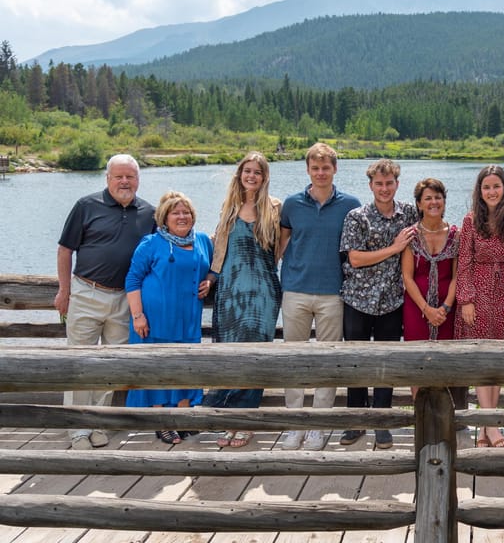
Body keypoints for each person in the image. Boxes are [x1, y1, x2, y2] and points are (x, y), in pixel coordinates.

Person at [54, 153, 156, 450]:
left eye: (130, 176)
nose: (125, 181)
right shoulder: (87, 206)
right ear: (107, 179)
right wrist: (64, 291)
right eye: (118, 176)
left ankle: (98, 423)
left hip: (125, 298)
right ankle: (76, 428)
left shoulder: (149, 212)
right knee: (79, 362)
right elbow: (64, 250)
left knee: (111, 366)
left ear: (138, 179)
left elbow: (157, 255)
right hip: (86, 292)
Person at [278, 143, 360, 451]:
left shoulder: (350, 204)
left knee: (328, 361)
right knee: (293, 359)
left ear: (335, 169)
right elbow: (281, 245)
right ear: (308, 170)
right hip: (296, 289)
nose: (321, 172)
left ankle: (319, 425)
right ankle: (294, 424)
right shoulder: (291, 204)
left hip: (333, 292)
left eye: (326, 167)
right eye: (315, 168)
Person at [204, 152, 282, 448]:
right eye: (247, 171)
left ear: (264, 177)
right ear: (240, 175)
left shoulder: (275, 207)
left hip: (262, 292)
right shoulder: (230, 208)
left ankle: (246, 421)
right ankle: (229, 421)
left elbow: (284, 248)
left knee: (255, 357)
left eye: (257, 172)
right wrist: (210, 278)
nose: (251, 176)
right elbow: (219, 249)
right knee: (230, 356)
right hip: (231, 292)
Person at [338, 159, 418, 449]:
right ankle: (356, 420)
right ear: (371, 185)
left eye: (389, 183)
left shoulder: (409, 213)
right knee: (356, 362)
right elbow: (355, 258)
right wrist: (395, 248)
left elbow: (434, 220)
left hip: (392, 300)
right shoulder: (357, 216)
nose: (384, 189)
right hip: (358, 299)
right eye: (379, 184)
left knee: (386, 363)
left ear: (397, 183)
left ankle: (382, 422)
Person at [125, 191, 213, 445]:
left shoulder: (203, 241)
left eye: (186, 212)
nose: (182, 216)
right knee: (157, 367)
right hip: (154, 319)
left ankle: (184, 417)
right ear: (164, 217)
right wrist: (138, 316)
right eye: (176, 212)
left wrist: (209, 281)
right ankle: (162, 421)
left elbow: (213, 270)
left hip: (187, 317)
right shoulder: (151, 243)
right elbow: (133, 279)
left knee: (186, 365)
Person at [455, 165, 504, 448]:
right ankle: (493, 424)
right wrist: (466, 299)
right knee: (483, 360)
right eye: (487, 187)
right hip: (479, 295)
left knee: (498, 362)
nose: (492, 191)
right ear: (480, 191)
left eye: (496, 186)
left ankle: (486, 427)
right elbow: (464, 263)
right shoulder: (471, 220)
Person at [401, 178, 466, 407]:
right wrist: (426, 309)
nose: (434, 202)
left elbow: (458, 275)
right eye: (428, 198)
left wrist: (445, 307)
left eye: (438, 197)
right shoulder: (411, 235)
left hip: (446, 308)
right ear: (419, 204)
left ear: (444, 202)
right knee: (417, 361)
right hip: (416, 307)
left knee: (445, 361)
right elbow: (407, 277)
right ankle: (420, 413)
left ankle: (443, 415)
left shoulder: (456, 235)